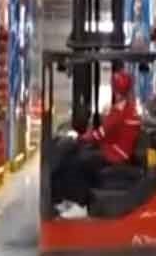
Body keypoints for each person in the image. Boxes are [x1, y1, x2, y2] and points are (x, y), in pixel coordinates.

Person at [51, 69, 143, 219]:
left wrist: (80, 138)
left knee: (78, 162)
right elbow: (107, 132)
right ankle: (69, 198)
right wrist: (87, 139)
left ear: (116, 89)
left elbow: (101, 133)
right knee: (84, 155)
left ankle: (80, 204)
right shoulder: (127, 108)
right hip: (116, 150)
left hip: (116, 154)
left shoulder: (120, 110)